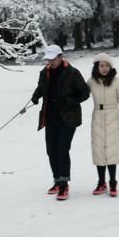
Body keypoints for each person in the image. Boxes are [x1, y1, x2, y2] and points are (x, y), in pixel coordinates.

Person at [31, 44, 90, 201]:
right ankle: (57, 180)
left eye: (53, 58)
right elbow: (41, 88)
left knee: (62, 150)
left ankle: (64, 185)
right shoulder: (45, 72)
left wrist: (72, 100)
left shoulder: (72, 73)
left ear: (60, 56)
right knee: (51, 151)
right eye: (48, 59)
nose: (50, 62)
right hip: (50, 117)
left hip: (68, 118)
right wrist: (36, 95)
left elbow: (85, 92)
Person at [87, 53, 119, 197]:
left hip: (113, 116)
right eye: (101, 65)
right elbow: (80, 94)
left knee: (112, 150)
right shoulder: (91, 82)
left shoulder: (117, 81)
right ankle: (101, 182)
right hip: (97, 116)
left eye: (107, 66)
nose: (104, 68)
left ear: (111, 67)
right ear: (97, 67)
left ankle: (113, 182)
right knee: (99, 150)